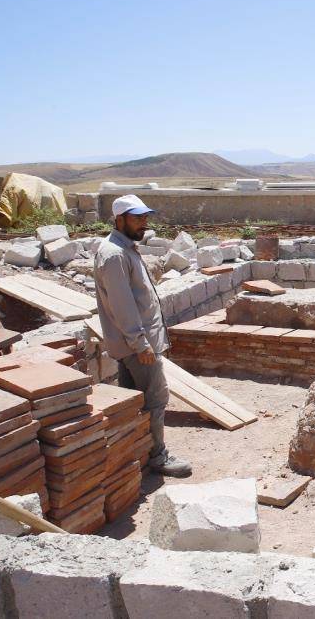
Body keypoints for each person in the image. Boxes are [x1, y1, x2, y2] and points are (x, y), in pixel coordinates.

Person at [94, 194, 192, 477]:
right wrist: (141, 344)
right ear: (119, 219)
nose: (144, 224)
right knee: (156, 397)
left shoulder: (125, 249)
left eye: (145, 218)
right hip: (137, 345)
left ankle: (134, 452)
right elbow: (122, 305)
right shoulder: (114, 254)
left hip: (136, 343)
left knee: (132, 401)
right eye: (137, 218)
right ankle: (157, 457)